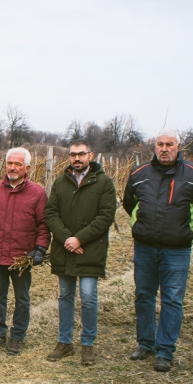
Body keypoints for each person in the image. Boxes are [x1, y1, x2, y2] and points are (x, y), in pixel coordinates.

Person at [123, 129, 193, 372]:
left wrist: (183, 228)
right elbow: (129, 203)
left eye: (169, 144)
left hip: (177, 250)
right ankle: (145, 343)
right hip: (145, 247)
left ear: (178, 147)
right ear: (154, 147)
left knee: (172, 299)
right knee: (143, 295)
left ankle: (165, 350)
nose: (164, 149)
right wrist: (141, 225)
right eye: (160, 144)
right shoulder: (139, 173)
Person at [44, 140, 116, 366]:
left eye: (81, 154)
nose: (77, 158)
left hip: (90, 250)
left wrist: (79, 239)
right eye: (73, 154)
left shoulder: (103, 183)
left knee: (88, 297)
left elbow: (105, 216)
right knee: (65, 296)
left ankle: (87, 344)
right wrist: (67, 238)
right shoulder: (60, 182)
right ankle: (65, 342)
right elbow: (51, 213)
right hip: (65, 249)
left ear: (90, 156)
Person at [0, 147, 50, 356]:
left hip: (22, 257)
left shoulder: (37, 193)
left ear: (27, 168)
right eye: (10, 163)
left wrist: (40, 248)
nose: (13, 167)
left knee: (22, 298)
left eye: (18, 164)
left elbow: (44, 225)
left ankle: (17, 336)